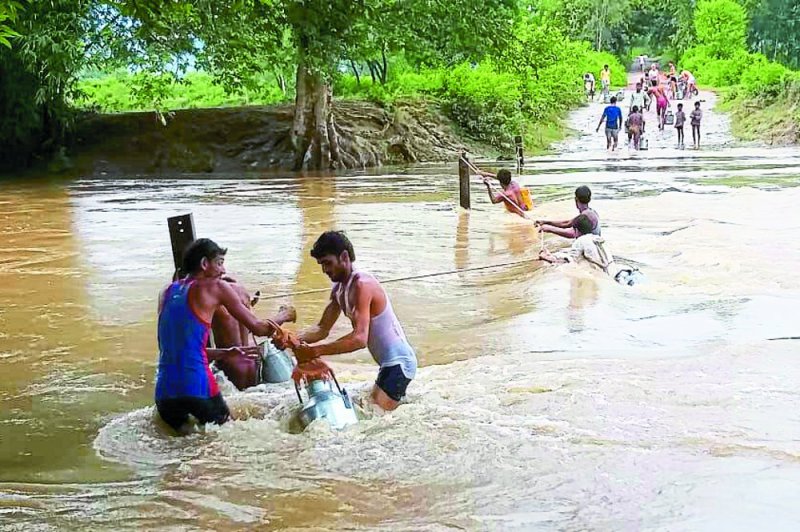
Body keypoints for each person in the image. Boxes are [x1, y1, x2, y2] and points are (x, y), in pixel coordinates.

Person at [155, 238, 295, 433]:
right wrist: (285, 315)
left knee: (184, 451)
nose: (223, 270)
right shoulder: (217, 288)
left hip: (164, 394)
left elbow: (180, 349)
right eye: (219, 263)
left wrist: (226, 353)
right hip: (198, 388)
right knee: (228, 445)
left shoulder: (166, 292)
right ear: (204, 264)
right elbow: (259, 329)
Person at [294, 231, 417, 411]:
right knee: (374, 411)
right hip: (387, 364)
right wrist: (292, 340)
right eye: (321, 265)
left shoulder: (362, 284)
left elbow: (359, 339)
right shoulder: (338, 289)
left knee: (374, 416)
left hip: (399, 362)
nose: (324, 270)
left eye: (328, 263)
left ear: (344, 257)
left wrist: (315, 351)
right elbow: (321, 329)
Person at [211, 278, 295, 390]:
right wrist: (283, 314)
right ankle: (286, 313)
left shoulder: (209, 296)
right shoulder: (241, 290)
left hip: (230, 364)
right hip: (252, 361)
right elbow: (260, 329)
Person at [538, 215, 642, 286]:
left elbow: (568, 262)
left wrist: (547, 257)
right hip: (618, 274)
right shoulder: (599, 239)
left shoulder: (580, 241)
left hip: (607, 279)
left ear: (576, 231)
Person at [536, 185, 601, 239]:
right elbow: (567, 223)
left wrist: (549, 229)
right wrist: (546, 222)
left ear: (576, 199)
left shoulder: (585, 216)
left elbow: (572, 234)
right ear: (589, 199)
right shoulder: (590, 213)